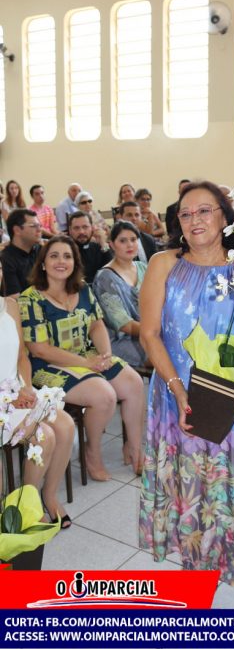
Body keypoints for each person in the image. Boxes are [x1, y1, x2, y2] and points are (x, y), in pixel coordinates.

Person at [139, 181, 234, 586]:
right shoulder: (163, 263)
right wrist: (178, 389)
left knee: (215, 488)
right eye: (185, 213)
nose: (194, 219)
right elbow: (149, 334)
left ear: (225, 217)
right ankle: (189, 567)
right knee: (182, 486)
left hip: (224, 401)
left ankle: (207, 568)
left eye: (204, 210)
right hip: (172, 394)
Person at [18, 235, 145, 481]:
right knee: (104, 396)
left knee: (134, 384)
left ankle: (135, 449)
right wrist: (87, 364)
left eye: (67, 256)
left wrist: (105, 354)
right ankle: (92, 452)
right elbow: (39, 349)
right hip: (48, 366)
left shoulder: (83, 288)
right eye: (54, 256)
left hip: (87, 355)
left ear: (75, 263)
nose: (61, 261)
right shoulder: (30, 298)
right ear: (42, 263)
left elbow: (97, 324)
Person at [1, 259, 75, 527]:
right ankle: (23, 507)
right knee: (44, 436)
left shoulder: (9, 305)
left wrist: (25, 387)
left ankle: (47, 495)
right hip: (3, 399)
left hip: (16, 387)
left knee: (65, 425)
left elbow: (22, 355)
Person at [93, 221, 147, 367]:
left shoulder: (143, 267)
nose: (130, 245)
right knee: (166, 355)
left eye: (133, 239)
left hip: (150, 332)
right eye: (123, 241)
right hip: (123, 340)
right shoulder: (105, 278)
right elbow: (123, 324)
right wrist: (156, 332)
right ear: (111, 244)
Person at [0, 209, 42, 297]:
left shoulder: (40, 250)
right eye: (33, 226)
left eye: (39, 226)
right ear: (17, 230)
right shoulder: (6, 259)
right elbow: (14, 298)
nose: (39, 230)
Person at [68, 211, 112, 284]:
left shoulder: (99, 247)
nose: (81, 232)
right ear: (70, 230)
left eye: (85, 227)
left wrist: (103, 243)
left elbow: (112, 271)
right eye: (76, 228)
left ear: (92, 228)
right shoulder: (66, 252)